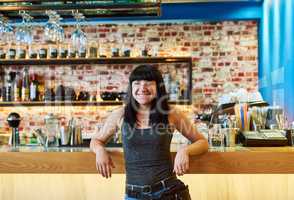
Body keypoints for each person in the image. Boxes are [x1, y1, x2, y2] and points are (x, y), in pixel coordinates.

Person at [90, 65, 208, 200]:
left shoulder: (171, 113)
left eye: (148, 83)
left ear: (158, 87)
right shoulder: (120, 114)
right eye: (137, 83)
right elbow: (96, 141)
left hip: (167, 192)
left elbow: (202, 142)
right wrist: (99, 151)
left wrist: (184, 151)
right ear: (131, 87)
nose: (142, 88)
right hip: (133, 195)